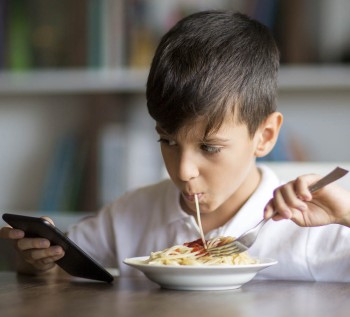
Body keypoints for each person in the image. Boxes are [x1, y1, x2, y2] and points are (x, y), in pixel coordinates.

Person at [1, 11, 350, 281]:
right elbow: (60, 268)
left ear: (266, 136)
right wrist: (36, 262)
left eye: (210, 147)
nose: (182, 170)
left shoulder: (310, 231)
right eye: (167, 140)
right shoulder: (131, 215)